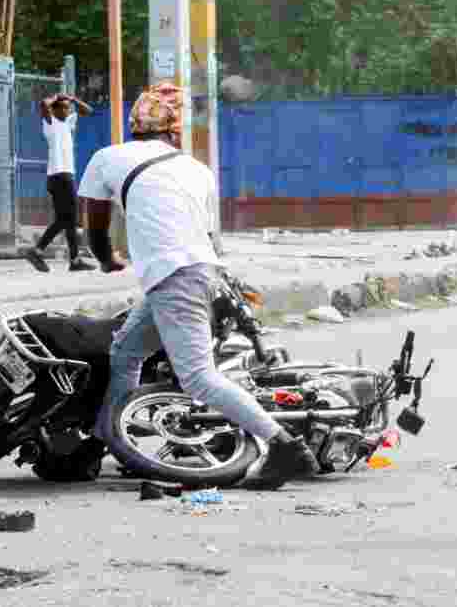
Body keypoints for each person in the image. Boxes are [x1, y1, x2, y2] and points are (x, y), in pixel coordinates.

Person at [78, 83, 316, 490]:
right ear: (174, 132)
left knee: (198, 378)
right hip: (203, 272)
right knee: (127, 350)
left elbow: (95, 227)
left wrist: (107, 260)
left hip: (175, 278)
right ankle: (115, 439)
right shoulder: (197, 169)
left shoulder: (107, 158)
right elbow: (209, 235)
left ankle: (283, 445)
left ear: (133, 126)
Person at [22, 93, 97, 273]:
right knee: (67, 219)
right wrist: (56, 97)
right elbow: (42, 103)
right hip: (59, 176)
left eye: (67, 108)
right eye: (61, 107)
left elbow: (88, 111)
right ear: (54, 110)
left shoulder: (68, 123)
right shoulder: (50, 124)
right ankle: (41, 251)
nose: (66, 110)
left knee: (67, 220)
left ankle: (71, 259)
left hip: (65, 175)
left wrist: (72, 98)